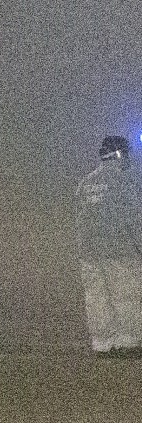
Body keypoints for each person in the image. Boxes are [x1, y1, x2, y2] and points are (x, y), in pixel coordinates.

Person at [75, 135, 142, 357]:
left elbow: (80, 219)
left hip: (90, 254)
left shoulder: (86, 183)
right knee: (126, 296)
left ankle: (103, 343)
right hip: (121, 250)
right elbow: (134, 218)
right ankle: (129, 342)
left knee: (96, 299)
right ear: (119, 154)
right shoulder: (125, 181)